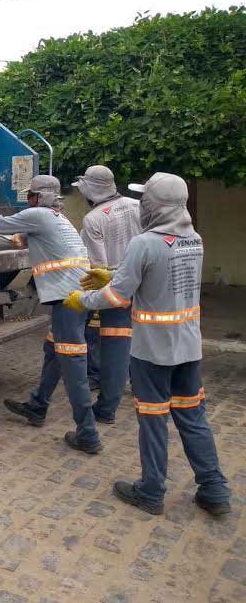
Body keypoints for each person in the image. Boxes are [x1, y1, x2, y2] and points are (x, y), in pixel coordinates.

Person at [64, 172, 230, 515]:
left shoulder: (144, 242)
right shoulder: (193, 239)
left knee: (153, 420)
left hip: (153, 352)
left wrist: (85, 299)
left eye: (146, 198)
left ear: (154, 205)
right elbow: (156, 276)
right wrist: (115, 273)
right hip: (188, 348)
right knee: (192, 416)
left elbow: (117, 296)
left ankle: (151, 491)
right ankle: (214, 489)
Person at [0, 175, 102, 453]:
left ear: (39, 197)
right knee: (53, 351)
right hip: (77, 298)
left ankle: (88, 434)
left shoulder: (38, 214)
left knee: (74, 365)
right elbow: (12, 240)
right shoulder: (56, 218)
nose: (27, 199)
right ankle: (38, 405)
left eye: (30, 194)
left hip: (69, 300)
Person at [71, 164, 142, 422]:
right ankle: (143, 389)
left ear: (91, 190)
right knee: (139, 341)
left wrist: (89, 298)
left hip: (116, 289)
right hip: (143, 285)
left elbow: (99, 266)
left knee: (115, 348)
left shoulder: (93, 219)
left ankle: (107, 408)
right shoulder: (137, 205)